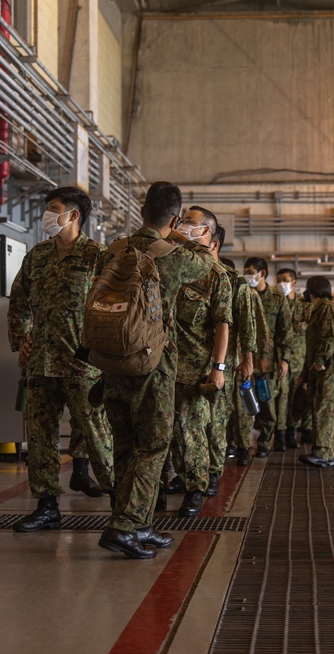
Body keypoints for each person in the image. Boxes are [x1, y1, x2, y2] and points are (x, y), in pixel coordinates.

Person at [98, 182, 214, 559]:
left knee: (126, 444)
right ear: (175, 218)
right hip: (152, 364)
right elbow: (207, 261)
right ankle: (125, 526)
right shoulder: (172, 255)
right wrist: (182, 234)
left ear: (141, 210)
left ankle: (139, 523)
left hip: (112, 359)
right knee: (154, 445)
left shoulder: (116, 248)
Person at [7, 187, 114, 532]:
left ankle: (124, 505)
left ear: (73, 215)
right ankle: (46, 505)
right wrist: (21, 340)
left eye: (53, 209)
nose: (47, 215)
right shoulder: (37, 255)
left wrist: (107, 352)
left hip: (83, 364)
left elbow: (116, 307)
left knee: (98, 436)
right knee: (39, 437)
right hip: (40, 363)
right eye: (47, 208)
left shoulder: (98, 255)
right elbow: (18, 301)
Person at [165, 206, 231, 517]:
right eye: (182, 221)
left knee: (189, 430)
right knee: (163, 432)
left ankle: (195, 487)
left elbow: (222, 324)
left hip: (194, 367)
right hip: (159, 366)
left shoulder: (214, 274)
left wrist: (218, 368)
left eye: (190, 223)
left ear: (207, 234)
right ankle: (175, 479)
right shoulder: (169, 262)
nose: (183, 226)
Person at [205, 231, 255, 491]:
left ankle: (213, 470)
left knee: (217, 417)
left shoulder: (235, 281)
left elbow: (247, 323)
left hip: (226, 362)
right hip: (189, 361)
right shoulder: (187, 271)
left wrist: (248, 359)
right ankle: (190, 472)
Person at [243, 257, 294, 457]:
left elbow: (286, 332)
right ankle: (242, 444)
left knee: (267, 404)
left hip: (268, 361)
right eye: (245, 271)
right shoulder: (245, 294)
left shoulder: (277, 298)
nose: (247, 275)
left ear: (262, 273)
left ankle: (264, 442)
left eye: (250, 271)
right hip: (245, 358)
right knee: (244, 403)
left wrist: (285, 359)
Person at [221, 257, 265, 467]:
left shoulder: (247, 293)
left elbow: (257, 326)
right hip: (223, 359)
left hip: (241, 358)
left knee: (243, 406)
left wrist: (255, 358)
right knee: (224, 406)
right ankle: (228, 444)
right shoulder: (216, 291)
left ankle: (244, 446)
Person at [298, 276, 334, 468]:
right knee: (318, 409)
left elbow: (329, 335)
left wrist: (320, 360)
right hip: (318, 369)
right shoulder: (318, 309)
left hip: (327, 369)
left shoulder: (327, 307)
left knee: (324, 410)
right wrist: (305, 373)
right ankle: (325, 453)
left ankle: (323, 453)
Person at [274, 268, 309, 450]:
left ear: (294, 282)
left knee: (295, 397)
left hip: (298, 360)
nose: (281, 283)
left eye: (285, 280)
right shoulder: (275, 303)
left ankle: (291, 433)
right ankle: (279, 435)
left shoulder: (303, 305)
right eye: (278, 279)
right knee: (281, 397)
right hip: (278, 359)